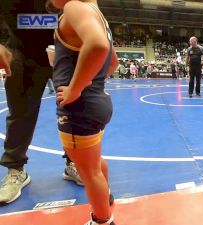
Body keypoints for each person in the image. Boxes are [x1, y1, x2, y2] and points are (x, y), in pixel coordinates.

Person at [0, 0, 82, 206]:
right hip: (21, 50)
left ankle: (75, 163)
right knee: (20, 113)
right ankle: (16, 170)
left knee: (76, 109)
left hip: (65, 51)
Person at [50, 0, 118, 224]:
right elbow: (113, 63)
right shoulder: (98, 15)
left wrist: (75, 88)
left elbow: (98, 46)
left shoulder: (74, 7)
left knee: (89, 172)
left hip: (78, 109)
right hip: (97, 102)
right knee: (94, 164)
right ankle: (104, 198)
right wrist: (91, 83)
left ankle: (102, 220)